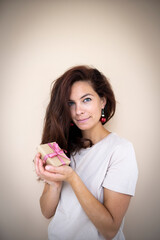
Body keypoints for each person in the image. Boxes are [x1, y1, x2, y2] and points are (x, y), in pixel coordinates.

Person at [35, 65, 138, 240]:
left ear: (103, 101)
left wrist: (71, 177)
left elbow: (110, 229)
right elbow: (46, 211)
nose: (78, 111)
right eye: (71, 103)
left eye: (86, 99)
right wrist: (54, 183)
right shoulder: (64, 148)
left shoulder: (120, 150)